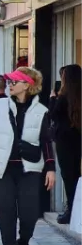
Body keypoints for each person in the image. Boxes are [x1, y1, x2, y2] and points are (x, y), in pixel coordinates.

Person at [0, 68, 56, 245]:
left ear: (27, 84)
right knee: (6, 214)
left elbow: (46, 141)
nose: (10, 84)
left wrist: (50, 168)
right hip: (2, 169)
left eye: (15, 81)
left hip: (30, 169)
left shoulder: (41, 111)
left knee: (29, 215)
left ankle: (23, 242)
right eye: (9, 81)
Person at [50, 64, 82, 224]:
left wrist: (52, 98)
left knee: (70, 176)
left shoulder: (63, 97)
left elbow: (53, 115)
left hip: (65, 141)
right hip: (77, 138)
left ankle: (72, 211)